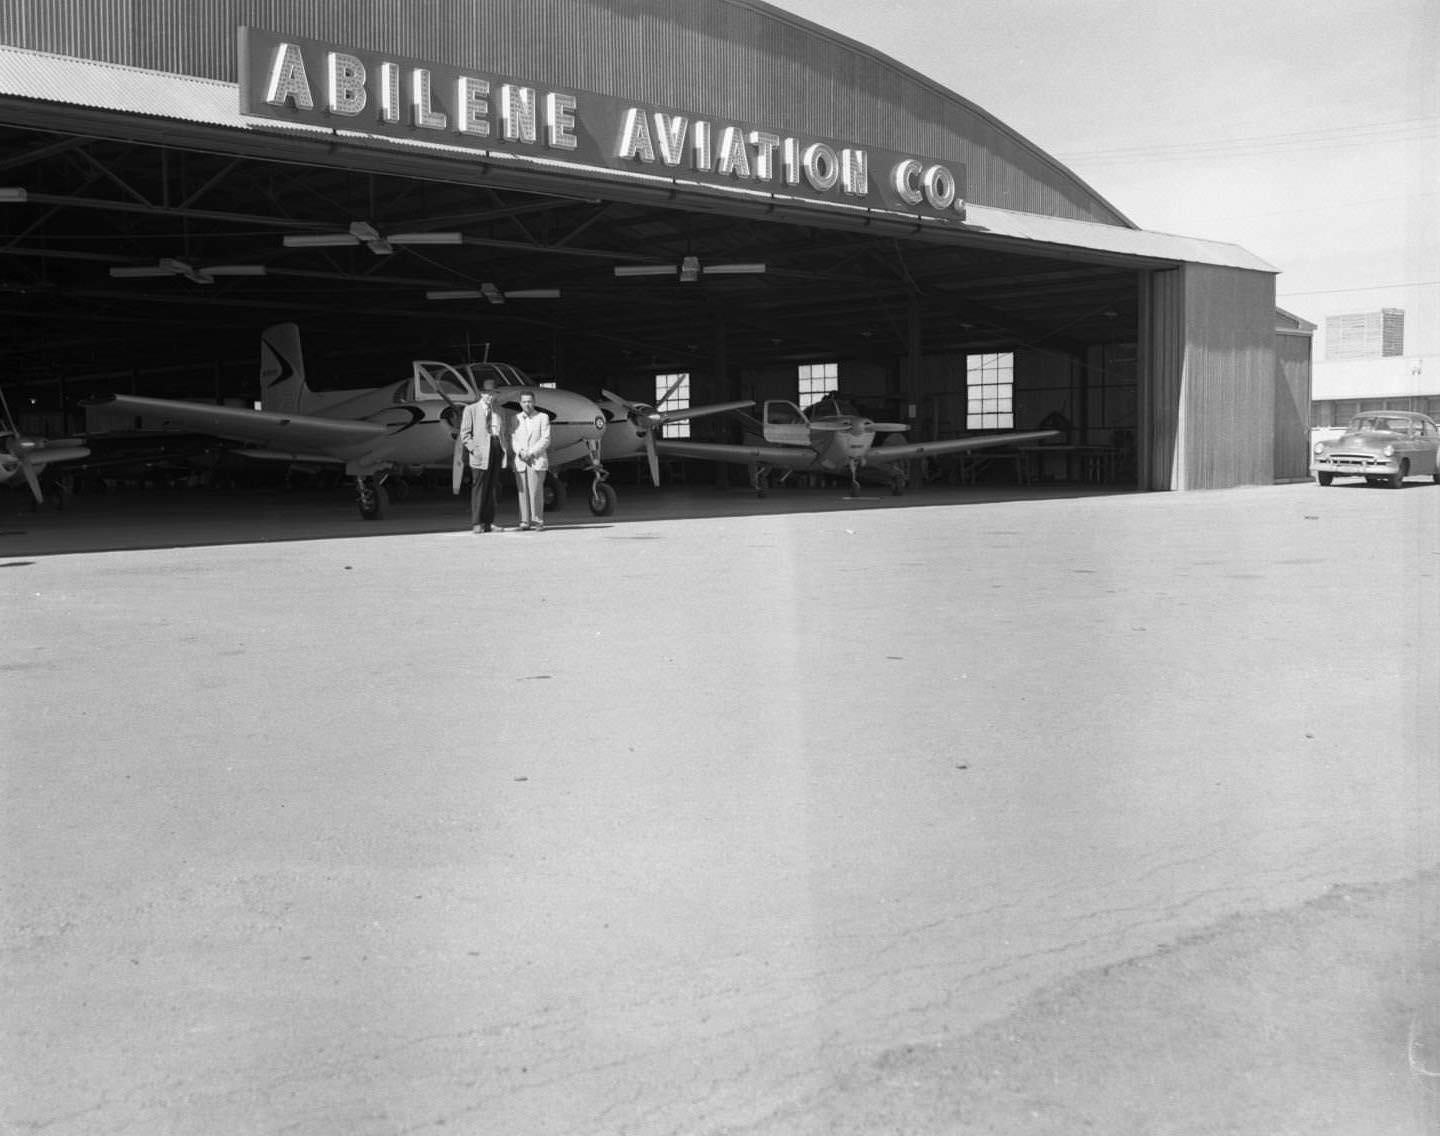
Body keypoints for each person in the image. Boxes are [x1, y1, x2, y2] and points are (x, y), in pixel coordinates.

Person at [459, 385, 511, 533]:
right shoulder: (471, 410)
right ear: (481, 394)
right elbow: (465, 434)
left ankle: (489, 522)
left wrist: (504, 448)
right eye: (487, 393)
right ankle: (477, 522)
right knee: (479, 487)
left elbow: (504, 432)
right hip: (480, 451)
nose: (490, 396)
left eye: (492, 394)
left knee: (492, 488)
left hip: (496, 448)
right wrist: (474, 449)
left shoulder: (500, 411)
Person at [510, 390, 551, 531]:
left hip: (536, 459)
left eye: (530, 401)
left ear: (534, 402)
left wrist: (531, 453)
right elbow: (514, 439)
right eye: (524, 401)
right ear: (520, 403)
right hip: (521, 460)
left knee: (536, 491)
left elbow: (545, 439)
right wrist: (520, 452)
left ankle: (538, 521)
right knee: (522, 492)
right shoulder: (515, 418)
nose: (527, 404)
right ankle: (524, 521)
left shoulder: (543, 417)